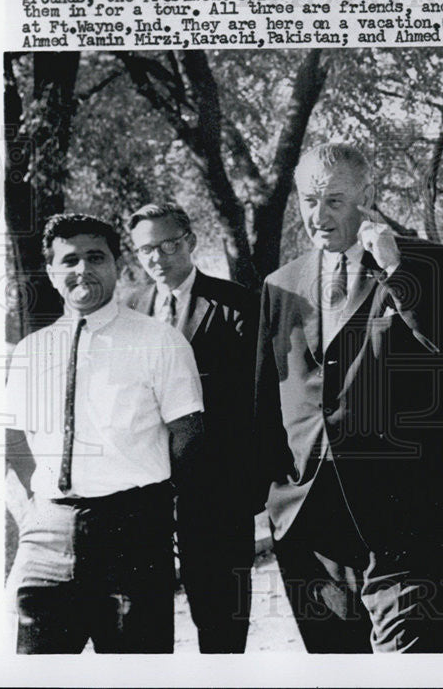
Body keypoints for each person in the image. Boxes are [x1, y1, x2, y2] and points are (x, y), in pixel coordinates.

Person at [253, 143, 443, 653]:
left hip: (405, 511)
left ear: (368, 196)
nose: (319, 215)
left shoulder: (421, 262)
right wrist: (269, 498)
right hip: (311, 522)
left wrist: (396, 271)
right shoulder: (280, 285)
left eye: (335, 200)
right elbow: (268, 400)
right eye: (309, 200)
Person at [5, 214, 205, 653]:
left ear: (117, 265)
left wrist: (148, 508)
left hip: (131, 535)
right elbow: (16, 447)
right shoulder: (29, 352)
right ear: (52, 272)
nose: (83, 270)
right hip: (46, 542)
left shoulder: (159, 341)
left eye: (96, 257)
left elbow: (187, 435)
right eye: (69, 260)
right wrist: (38, 517)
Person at [125, 202, 257, 653]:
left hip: (218, 496)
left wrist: (245, 488)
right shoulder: (129, 312)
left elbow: (253, 405)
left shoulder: (236, 304)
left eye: (168, 245)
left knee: (221, 625)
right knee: (144, 627)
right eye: (146, 250)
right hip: (146, 497)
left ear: (191, 242)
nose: (158, 258)